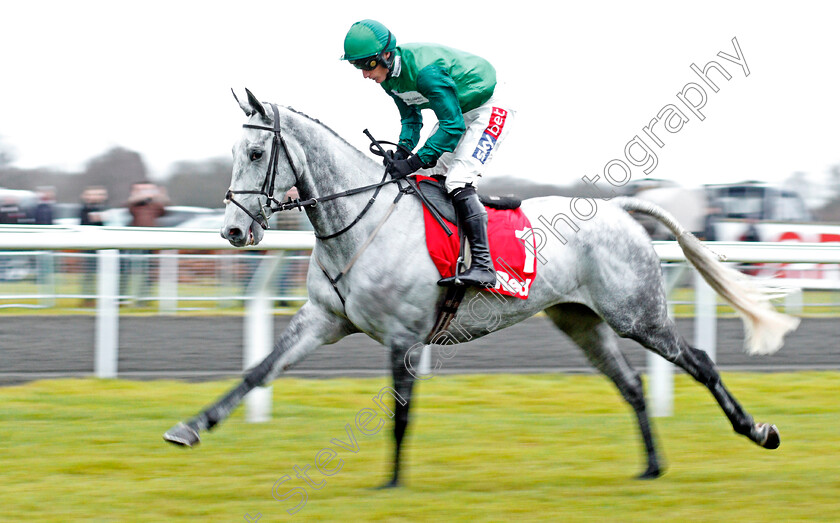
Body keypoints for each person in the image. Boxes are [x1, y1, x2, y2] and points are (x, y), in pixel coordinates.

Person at [341, 19, 515, 288]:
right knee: (427, 176)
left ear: (386, 54)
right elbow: (411, 121)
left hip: (488, 108)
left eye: (368, 64)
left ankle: (483, 266)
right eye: (357, 66)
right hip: (457, 111)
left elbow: (452, 126)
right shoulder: (388, 80)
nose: (365, 74)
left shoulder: (426, 73)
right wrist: (402, 153)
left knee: (458, 179)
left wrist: (415, 159)